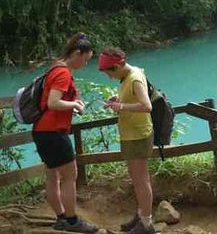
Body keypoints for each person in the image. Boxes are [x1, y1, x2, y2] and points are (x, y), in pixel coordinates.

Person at [32, 32, 98, 233]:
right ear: (77, 53)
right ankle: (72, 221)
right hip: (53, 132)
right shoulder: (62, 73)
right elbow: (53, 102)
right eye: (85, 60)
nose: (85, 64)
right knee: (71, 176)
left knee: (52, 176)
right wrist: (75, 105)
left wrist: (73, 103)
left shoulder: (55, 66)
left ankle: (61, 218)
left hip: (42, 131)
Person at [99, 48, 155, 234]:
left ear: (119, 65)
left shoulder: (135, 78)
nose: (108, 76)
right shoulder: (129, 74)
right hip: (132, 134)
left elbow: (146, 106)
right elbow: (133, 97)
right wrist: (119, 99)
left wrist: (121, 105)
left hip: (138, 136)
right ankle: (141, 216)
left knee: (141, 180)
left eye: (109, 72)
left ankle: (146, 224)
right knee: (137, 178)